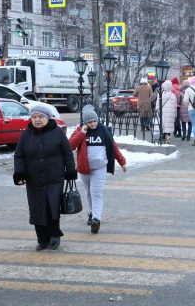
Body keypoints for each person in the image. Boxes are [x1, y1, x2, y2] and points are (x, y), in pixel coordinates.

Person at [13, 104, 77, 251]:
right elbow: (19, 155)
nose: (37, 120)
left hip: (55, 178)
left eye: (41, 117)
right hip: (34, 180)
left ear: (47, 118)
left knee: (52, 207)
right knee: (37, 209)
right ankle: (42, 239)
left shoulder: (57, 133)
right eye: (34, 117)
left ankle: (55, 236)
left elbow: (67, 153)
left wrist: (70, 171)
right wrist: (20, 173)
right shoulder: (26, 134)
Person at [69, 105, 126, 234]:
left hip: (100, 168)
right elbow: (70, 145)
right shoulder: (80, 130)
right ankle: (91, 213)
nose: (92, 124)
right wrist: (82, 133)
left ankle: (96, 219)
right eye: (89, 122)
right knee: (89, 192)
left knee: (96, 193)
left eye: (94, 121)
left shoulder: (104, 130)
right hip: (84, 168)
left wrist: (122, 161)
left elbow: (114, 147)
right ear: (85, 122)